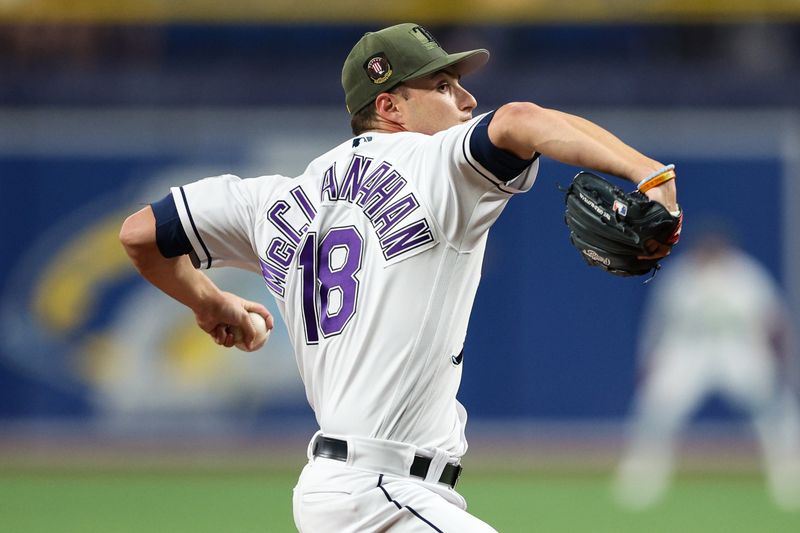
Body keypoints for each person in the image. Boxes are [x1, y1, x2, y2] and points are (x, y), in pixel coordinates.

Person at [120, 23, 680, 532]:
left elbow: (141, 233)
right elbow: (520, 121)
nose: (466, 99)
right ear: (390, 106)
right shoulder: (433, 165)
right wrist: (648, 173)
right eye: (442, 86)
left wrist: (211, 303)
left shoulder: (274, 200)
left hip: (354, 493)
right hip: (379, 495)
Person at [613, 224, 800, 511]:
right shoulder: (680, 276)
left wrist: (779, 363)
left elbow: (774, 322)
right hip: (690, 350)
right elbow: (658, 325)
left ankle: (789, 472)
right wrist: (649, 359)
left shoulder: (746, 275)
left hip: (738, 348)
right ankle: (643, 475)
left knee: (775, 406)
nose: (710, 256)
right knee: (658, 403)